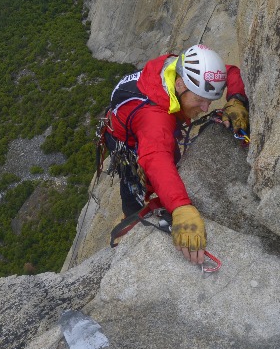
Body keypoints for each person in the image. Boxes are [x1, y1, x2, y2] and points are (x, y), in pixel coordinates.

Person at [101, 44, 248, 264]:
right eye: (200, 99)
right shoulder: (154, 119)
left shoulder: (186, 70)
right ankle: (129, 230)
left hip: (144, 121)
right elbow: (156, 159)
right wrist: (181, 208)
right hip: (128, 142)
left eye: (209, 100)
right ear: (180, 85)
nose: (206, 107)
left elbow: (231, 72)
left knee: (170, 168)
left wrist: (236, 99)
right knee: (136, 189)